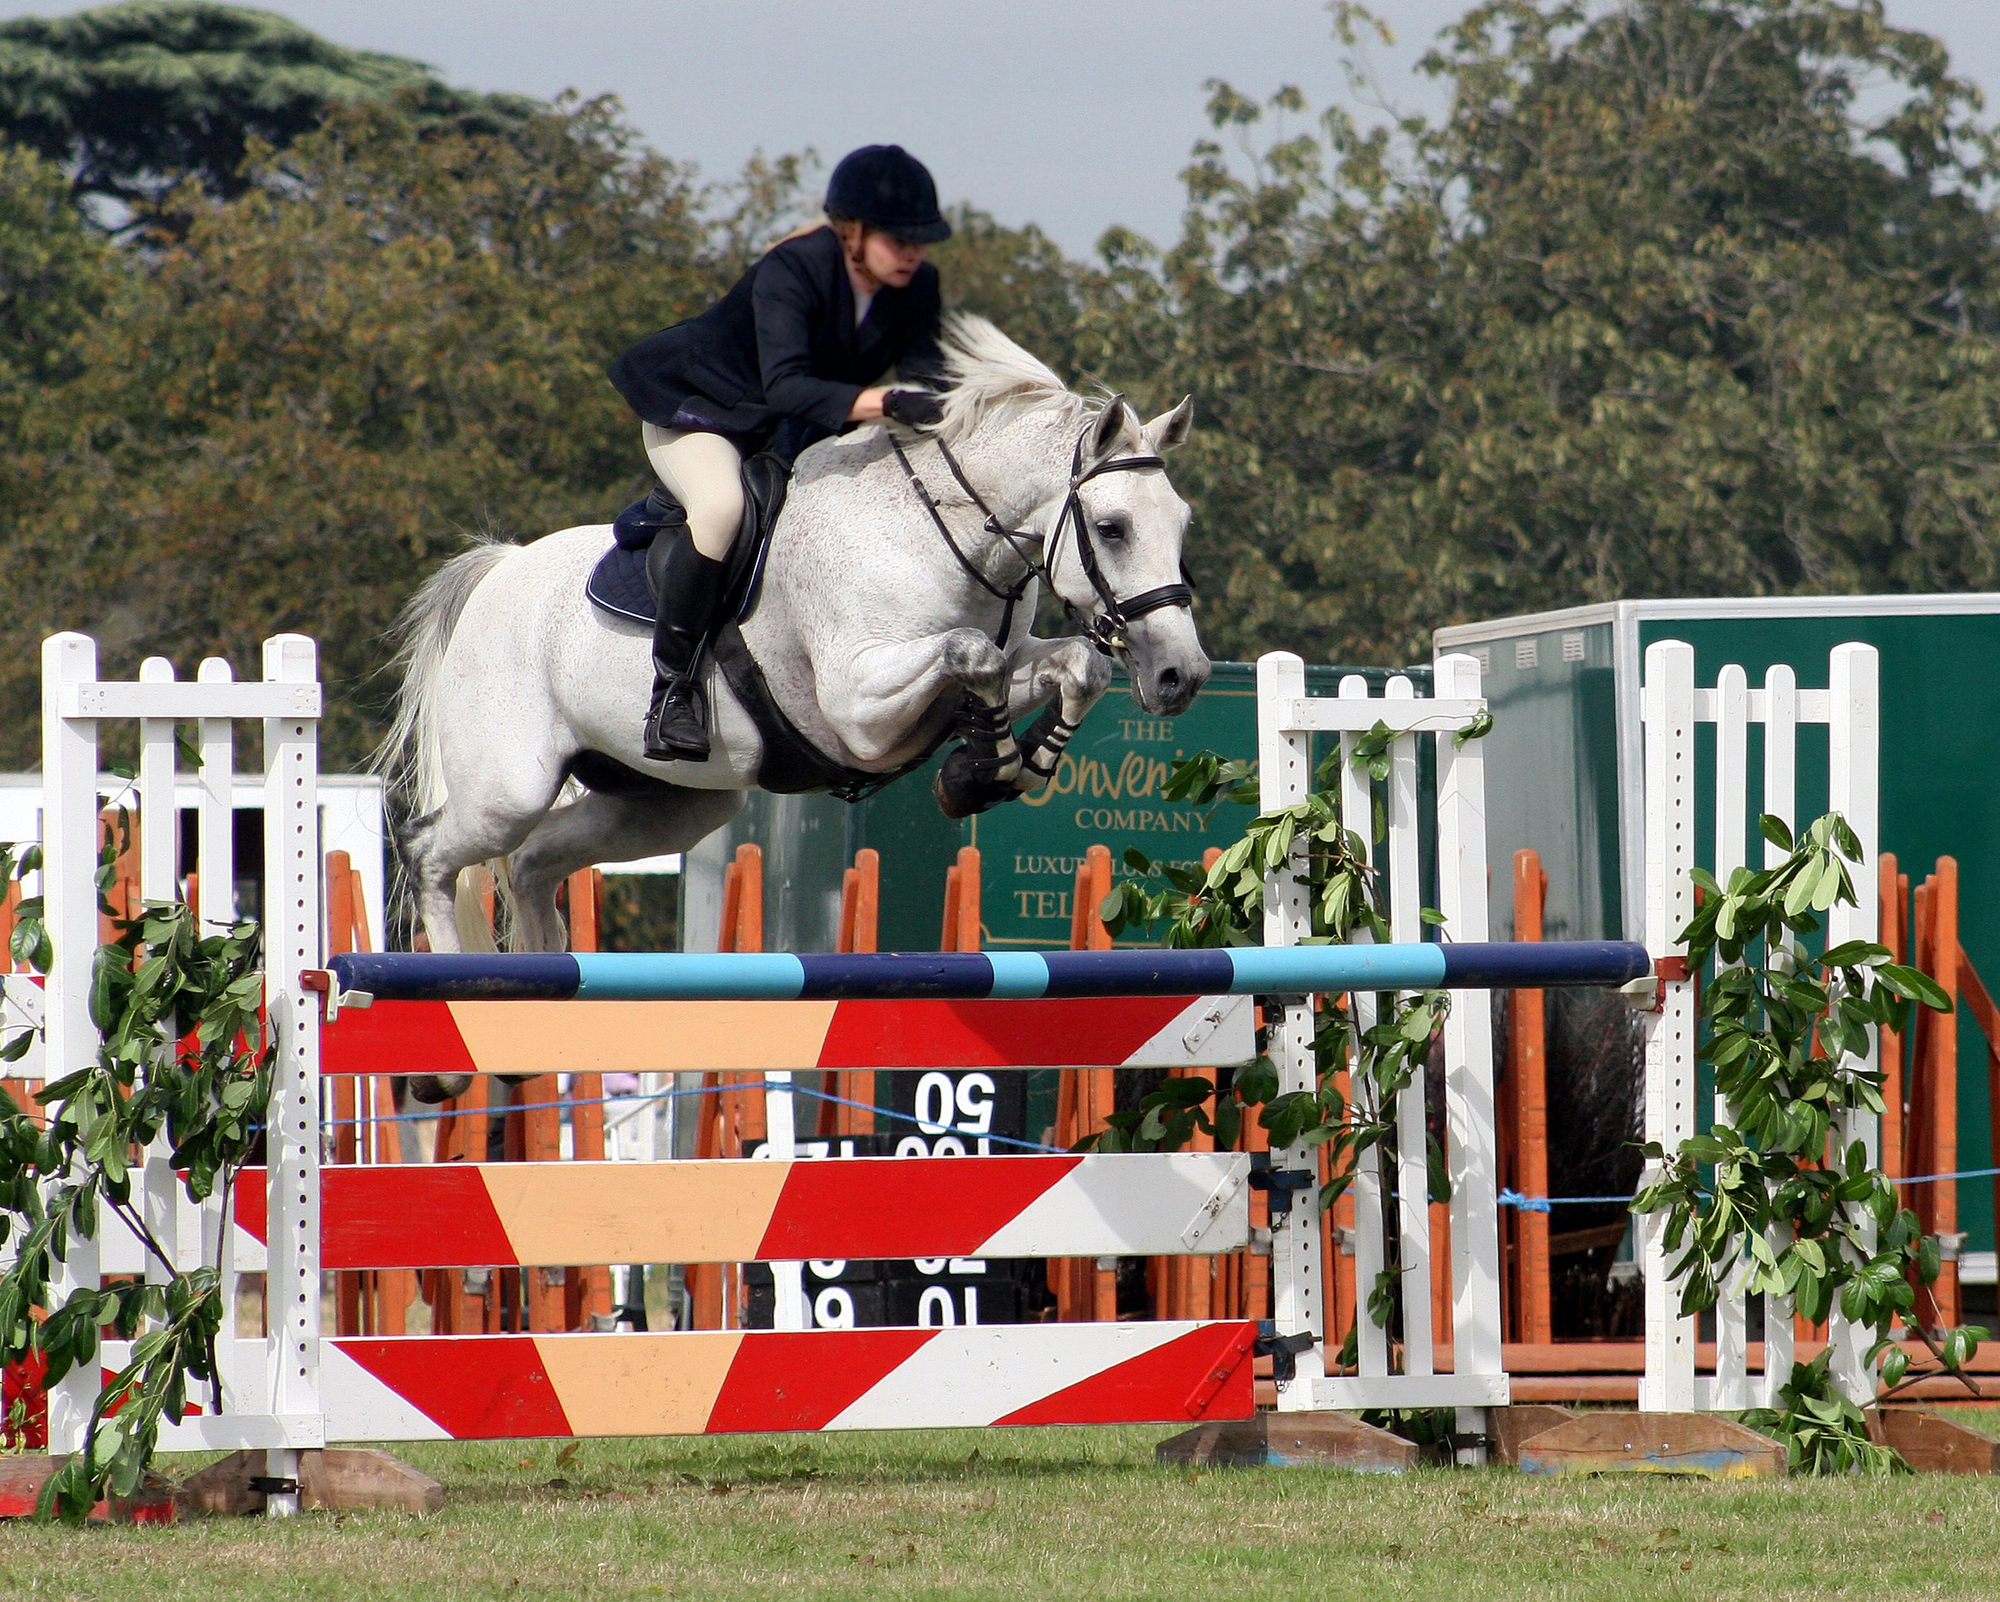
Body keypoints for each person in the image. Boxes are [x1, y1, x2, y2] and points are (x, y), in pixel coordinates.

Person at [608, 144, 954, 762]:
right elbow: (789, 386)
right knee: (720, 509)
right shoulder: (794, 271)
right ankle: (673, 694)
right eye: (898, 239)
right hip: (703, 410)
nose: (912, 253)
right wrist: (890, 402)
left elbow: (928, 376)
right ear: (852, 231)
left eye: (919, 241)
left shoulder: (917, 285)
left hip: (790, 430)